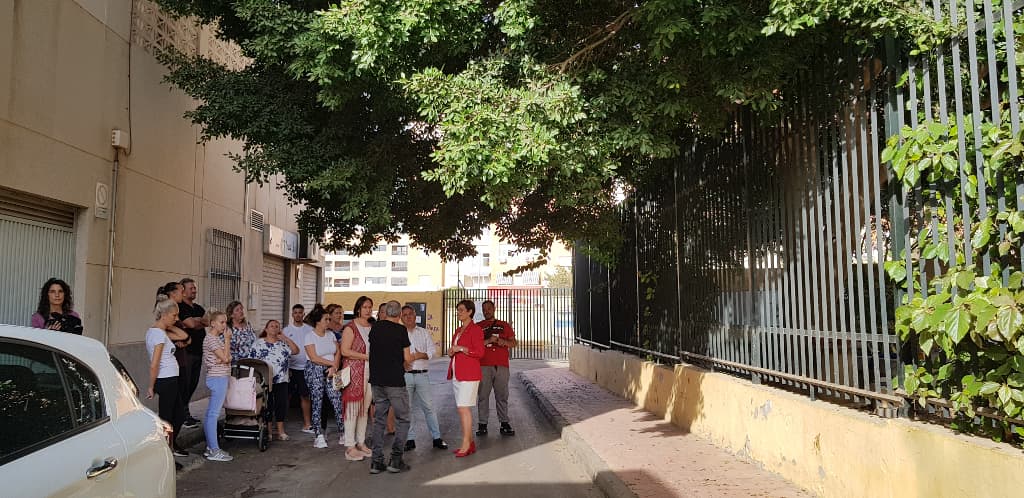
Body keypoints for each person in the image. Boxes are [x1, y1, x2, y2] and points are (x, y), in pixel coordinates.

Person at [367, 300, 414, 474]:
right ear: (400, 314)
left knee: (379, 420)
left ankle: (376, 462)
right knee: (402, 419)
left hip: (377, 381)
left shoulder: (376, 328)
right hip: (395, 382)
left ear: (385, 312)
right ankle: (395, 460)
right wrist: (405, 364)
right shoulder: (401, 330)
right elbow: (408, 358)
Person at [146, 294, 189, 457]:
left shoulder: (160, 332)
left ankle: (169, 450)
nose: (176, 319)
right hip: (166, 379)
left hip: (171, 379)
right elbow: (154, 363)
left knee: (178, 416)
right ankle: (163, 454)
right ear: (164, 314)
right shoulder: (157, 334)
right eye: (174, 315)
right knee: (167, 419)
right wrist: (151, 385)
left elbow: (183, 336)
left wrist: (168, 325)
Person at [401, 305, 447, 451]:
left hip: (422, 375)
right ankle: (410, 439)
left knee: (429, 407)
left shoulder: (424, 332)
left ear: (415, 316)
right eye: (405, 315)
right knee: (407, 409)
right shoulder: (399, 333)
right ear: (401, 317)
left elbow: (432, 351)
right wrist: (403, 362)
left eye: (411, 314)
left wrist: (420, 355)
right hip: (406, 376)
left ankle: (437, 437)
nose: (408, 317)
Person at [249, 319, 300, 441]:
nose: (274, 328)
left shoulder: (283, 344)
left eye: (277, 326)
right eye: (271, 326)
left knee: (281, 405)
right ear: (266, 329)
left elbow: (296, 351)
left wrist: (285, 339)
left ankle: (281, 431)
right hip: (265, 380)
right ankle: (269, 432)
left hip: (281, 379)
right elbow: (251, 360)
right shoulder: (258, 343)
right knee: (268, 406)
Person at [303, 304, 345, 449]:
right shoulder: (309, 336)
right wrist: (331, 364)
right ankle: (318, 435)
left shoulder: (331, 334)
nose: (329, 321)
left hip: (332, 369)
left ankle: (343, 432)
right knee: (317, 402)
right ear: (318, 321)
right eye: (326, 319)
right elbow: (314, 357)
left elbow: (338, 351)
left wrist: (335, 366)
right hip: (315, 370)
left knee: (337, 400)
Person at [447, 299, 484, 457]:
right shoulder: (458, 330)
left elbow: (480, 352)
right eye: (458, 310)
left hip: (469, 374)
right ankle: (470, 442)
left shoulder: (475, 330)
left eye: (461, 310)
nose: (458, 312)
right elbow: (455, 350)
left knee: (464, 408)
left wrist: (461, 348)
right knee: (462, 408)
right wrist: (451, 351)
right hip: (457, 373)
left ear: (470, 312)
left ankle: (466, 443)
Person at [476, 299, 518, 436]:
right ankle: (482, 424)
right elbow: (474, 346)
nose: (486, 311)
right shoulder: (478, 327)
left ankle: (504, 423)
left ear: (494, 309)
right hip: (483, 365)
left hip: (501, 365)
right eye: (484, 309)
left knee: (502, 395)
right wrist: (488, 341)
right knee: (483, 396)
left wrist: (502, 341)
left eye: (489, 308)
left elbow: (513, 343)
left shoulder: (504, 325)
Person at [340, 296, 374, 460]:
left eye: (370, 307)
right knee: (352, 409)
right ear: (358, 308)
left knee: (364, 409)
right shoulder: (350, 328)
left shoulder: (373, 326)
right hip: (354, 371)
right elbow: (345, 350)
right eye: (365, 307)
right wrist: (365, 356)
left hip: (370, 372)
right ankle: (350, 446)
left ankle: (361, 442)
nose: (368, 310)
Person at [201, 310, 233, 462]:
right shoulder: (213, 339)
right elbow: (226, 357)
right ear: (212, 323)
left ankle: (211, 447)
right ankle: (214, 449)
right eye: (221, 322)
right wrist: (227, 341)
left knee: (211, 414)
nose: (224, 325)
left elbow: (227, 357)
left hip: (219, 376)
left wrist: (224, 358)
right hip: (218, 377)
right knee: (213, 414)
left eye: (225, 322)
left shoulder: (215, 339)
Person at [177, 278, 208, 429]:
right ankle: (182, 416)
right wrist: (196, 322)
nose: (194, 290)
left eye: (195, 288)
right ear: (182, 290)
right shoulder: (180, 307)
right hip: (186, 353)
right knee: (185, 384)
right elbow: (190, 324)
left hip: (198, 351)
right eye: (191, 288)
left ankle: (186, 413)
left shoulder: (198, 308)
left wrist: (197, 321)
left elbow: (207, 321)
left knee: (193, 384)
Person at [283, 304, 314, 434]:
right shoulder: (285, 331)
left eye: (300, 312)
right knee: (286, 396)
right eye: (295, 312)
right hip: (290, 368)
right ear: (292, 314)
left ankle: (307, 424)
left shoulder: (310, 330)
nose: (297, 315)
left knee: (305, 396)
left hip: (305, 368)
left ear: (303, 314)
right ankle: (281, 425)